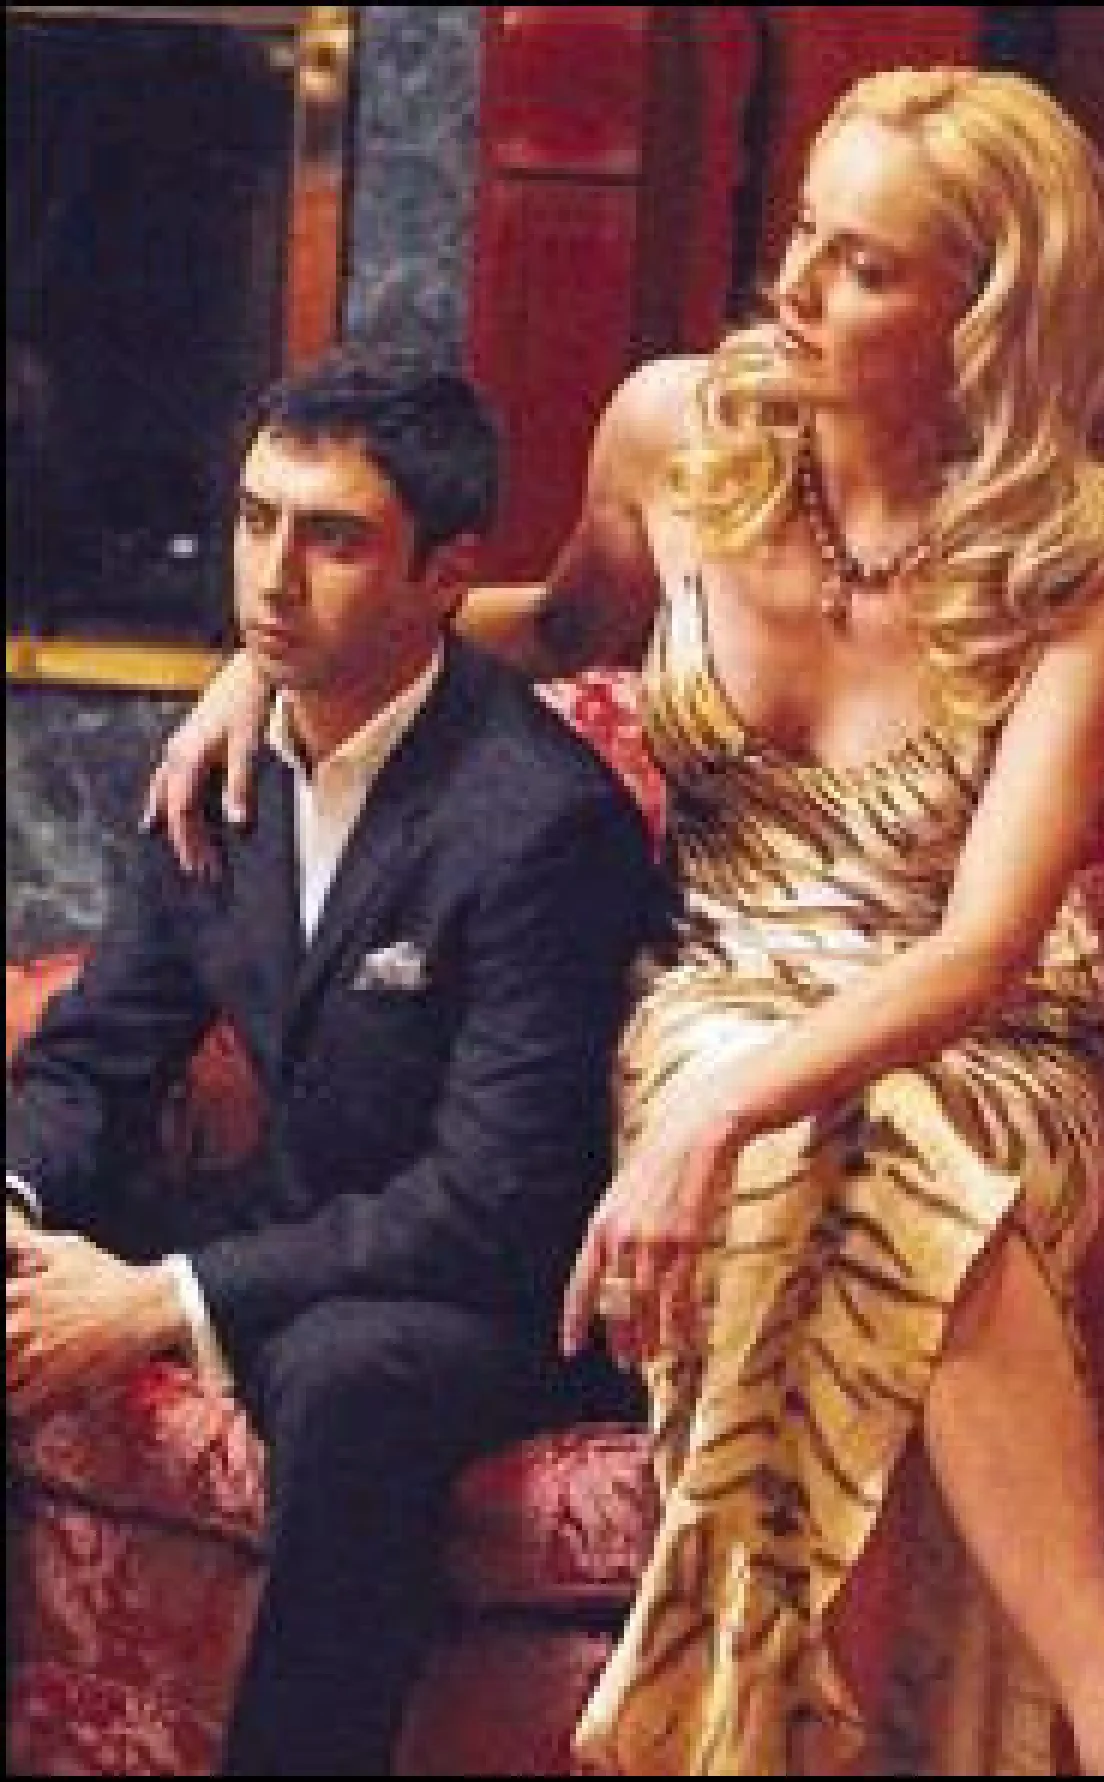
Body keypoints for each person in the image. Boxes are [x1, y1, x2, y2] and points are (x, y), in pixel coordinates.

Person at [137, 68, 1104, 1777]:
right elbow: (558, 622)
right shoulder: (675, 434)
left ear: (987, 311)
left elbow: (984, 950)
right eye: (805, 233)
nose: (798, 286)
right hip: (713, 971)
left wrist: (721, 1113)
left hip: (970, 1026)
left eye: (865, 265)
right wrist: (282, 657)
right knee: (823, 1158)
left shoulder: (1081, 556)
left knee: (863, 1143)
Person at [6, 344, 664, 1775]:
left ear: (446, 575)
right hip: (295, 1220)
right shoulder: (222, 768)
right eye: (256, 521)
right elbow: (97, 1055)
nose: (272, 578)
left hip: (492, 1292)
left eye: (333, 538)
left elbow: (493, 1200)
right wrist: (17, 1204)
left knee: (346, 1375)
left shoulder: (541, 824)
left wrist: (164, 1298)